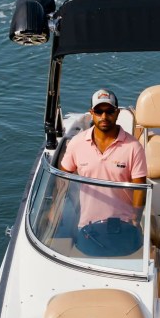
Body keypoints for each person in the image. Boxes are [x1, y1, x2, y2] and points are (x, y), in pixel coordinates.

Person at [59, 89, 148, 254]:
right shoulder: (77, 143)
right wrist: (53, 211)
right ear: (92, 113)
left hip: (124, 224)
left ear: (117, 113)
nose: (104, 116)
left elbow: (139, 188)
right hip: (87, 225)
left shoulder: (134, 147)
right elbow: (62, 179)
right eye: (99, 111)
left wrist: (136, 219)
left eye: (109, 111)